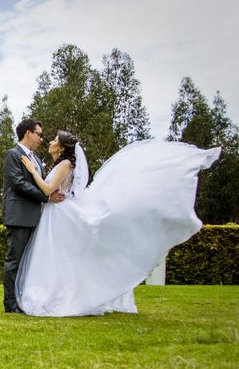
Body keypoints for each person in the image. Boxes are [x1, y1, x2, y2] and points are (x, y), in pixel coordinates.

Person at [15, 131, 221, 317]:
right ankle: (55, 293)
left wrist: (33, 171)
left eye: (54, 140)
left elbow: (48, 189)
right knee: (56, 256)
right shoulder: (61, 163)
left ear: (61, 147)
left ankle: (59, 297)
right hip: (54, 213)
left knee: (59, 256)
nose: (50, 141)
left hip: (58, 214)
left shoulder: (65, 164)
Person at [2, 119, 64, 313]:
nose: (41, 138)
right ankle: (11, 304)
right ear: (28, 133)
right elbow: (19, 183)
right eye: (38, 134)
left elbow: (42, 182)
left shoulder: (36, 160)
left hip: (36, 216)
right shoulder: (13, 155)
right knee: (15, 260)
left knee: (30, 262)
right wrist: (46, 196)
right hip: (19, 215)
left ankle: (25, 300)